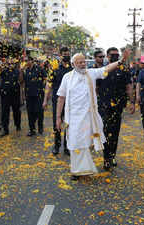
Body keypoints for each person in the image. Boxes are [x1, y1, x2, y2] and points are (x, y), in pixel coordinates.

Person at [55, 51, 130, 180]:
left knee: (85, 142)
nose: (83, 64)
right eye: (79, 62)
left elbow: (106, 69)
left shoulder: (91, 73)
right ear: (73, 64)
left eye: (84, 61)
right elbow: (61, 97)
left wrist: (120, 62)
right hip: (73, 117)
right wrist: (58, 117)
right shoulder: (67, 77)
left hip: (88, 116)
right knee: (74, 142)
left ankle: (83, 169)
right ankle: (76, 170)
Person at [98, 47, 135, 171]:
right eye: (112, 55)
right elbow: (96, 89)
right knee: (105, 131)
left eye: (116, 55)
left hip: (118, 106)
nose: (114, 56)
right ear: (107, 56)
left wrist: (132, 102)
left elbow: (129, 87)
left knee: (115, 132)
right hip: (104, 106)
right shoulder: (102, 70)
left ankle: (112, 155)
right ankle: (106, 158)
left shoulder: (124, 70)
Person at [43, 47, 72, 155]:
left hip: (70, 101)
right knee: (57, 123)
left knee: (69, 123)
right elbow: (48, 84)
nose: (66, 56)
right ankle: (57, 145)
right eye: (64, 54)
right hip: (57, 101)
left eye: (68, 54)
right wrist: (45, 100)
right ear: (60, 55)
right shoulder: (54, 68)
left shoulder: (73, 68)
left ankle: (67, 146)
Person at [0, 58, 23, 137]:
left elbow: (21, 80)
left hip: (15, 94)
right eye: (9, 64)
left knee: (16, 111)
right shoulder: (3, 71)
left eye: (12, 64)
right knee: (5, 112)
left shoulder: (17, 71)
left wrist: (20, 71)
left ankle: (18, 125)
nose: (10, 65)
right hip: (5, 95)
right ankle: (5, 129)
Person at [23, 56, 46, 136]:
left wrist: (43, 90)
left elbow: (45, 79)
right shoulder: (25, 70)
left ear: (32, 61)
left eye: (27, 60)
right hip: (29, 94)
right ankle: (32, 129)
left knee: (39, 112)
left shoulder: (39, 69)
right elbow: (23, 82)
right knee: (30, 113)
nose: (26, 62)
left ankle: (40, 128)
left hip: (38, 94)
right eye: (25, 61)